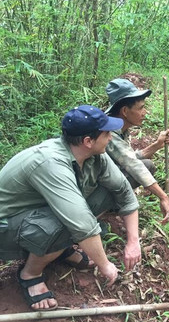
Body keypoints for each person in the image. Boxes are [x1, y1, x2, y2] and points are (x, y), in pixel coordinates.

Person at [0, 105, 142, 311]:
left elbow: (124, 191)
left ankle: (60, 248)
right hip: (7, 226)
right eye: (107, 133)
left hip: (37, 213)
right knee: (69, 221)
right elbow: (81, 224)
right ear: (87, 141)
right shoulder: (50, 162)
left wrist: (133, 241)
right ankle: (30, 274)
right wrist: (105, 265)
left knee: (104, 195)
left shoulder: (95, 156)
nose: (111, 137)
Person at [104, 78, 169, 223]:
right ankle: (105, 210)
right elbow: (133, 164)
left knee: (147, 164)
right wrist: (163, 197)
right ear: (124, 111)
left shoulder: (120, 127)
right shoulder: (109, 133)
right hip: (92, 190)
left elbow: (129, 157)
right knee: (145, 166)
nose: (145, 112)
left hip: (104, 178)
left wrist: (157, 145)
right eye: (141, 108)